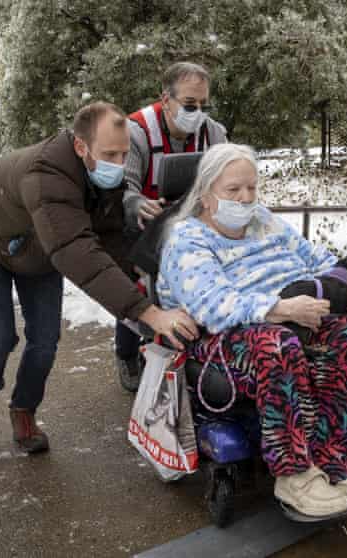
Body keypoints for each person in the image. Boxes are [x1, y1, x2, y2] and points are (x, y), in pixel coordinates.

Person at [0, 102, 197, 453]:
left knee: (45, 339)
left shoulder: (104, 175)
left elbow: (108, 234)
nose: (118, 165)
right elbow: (76, 251)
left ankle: (24, 411)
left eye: (123, 154)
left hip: (41, 250)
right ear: (80, 146)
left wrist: (136, 276)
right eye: (109, 154)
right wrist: (148, 313)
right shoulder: (46, 175)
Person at [157, 143, 347, 517]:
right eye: (233, 190)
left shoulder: (264, 220)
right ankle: (293, 475)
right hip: (222, 338)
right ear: (207, 196)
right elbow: (214, 306)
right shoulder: (186, 240)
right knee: (278, 344)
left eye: (251, 188)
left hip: (293, 317)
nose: (245, 199)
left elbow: (317, 258)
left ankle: (330, 454)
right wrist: (279, 309)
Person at [114, 61, 228, 390]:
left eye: (204, 105)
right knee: (135, 290)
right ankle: (127, 353)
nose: (198, 113)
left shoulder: (213, 133)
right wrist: (135, 203)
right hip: (145, 229)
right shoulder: (136, 131)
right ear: (166, 99)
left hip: (197, 228)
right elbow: (123, 188)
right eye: (190, 105)